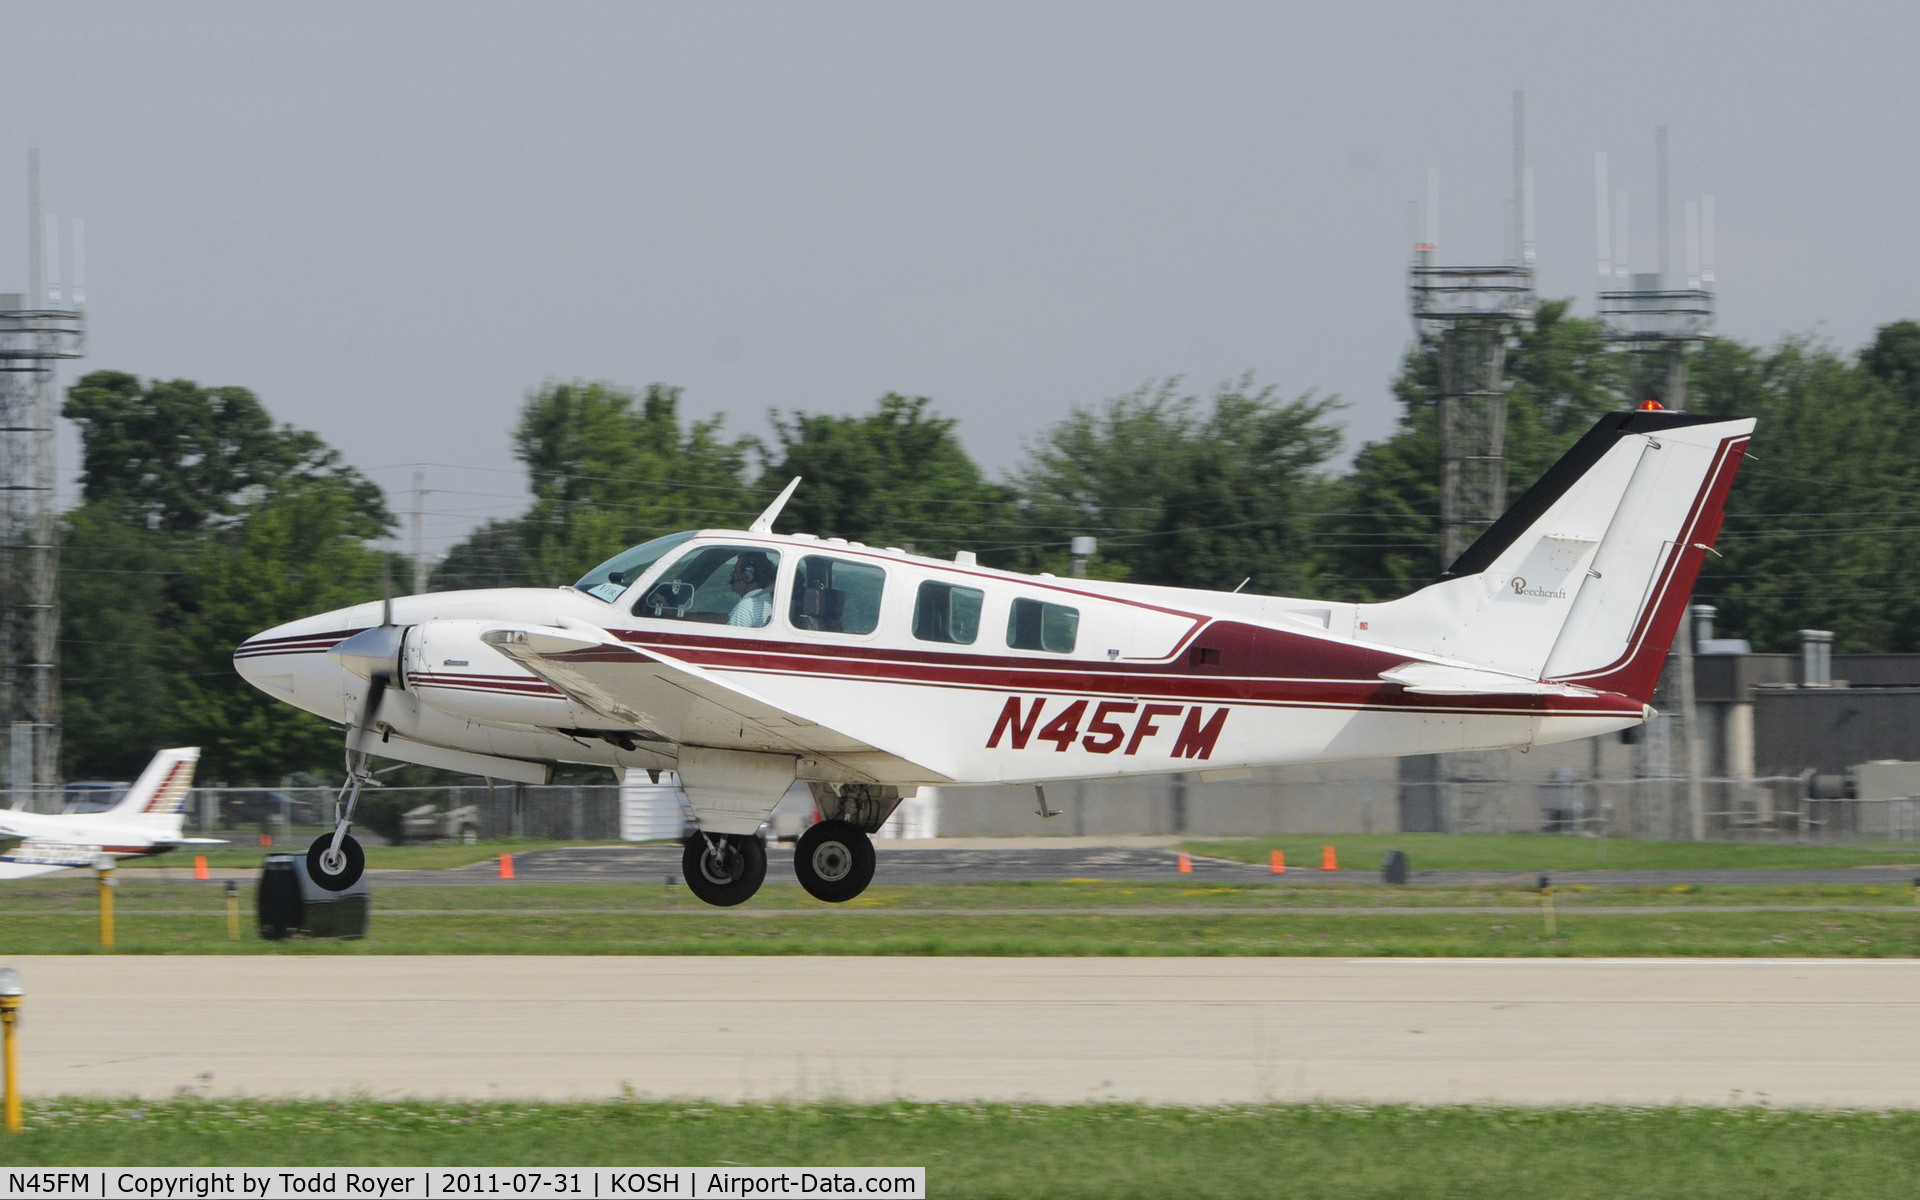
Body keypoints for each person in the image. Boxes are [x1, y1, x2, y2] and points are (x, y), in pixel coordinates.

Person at [725, 552, 776, 627]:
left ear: (748, 576)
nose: (732, 574)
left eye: (735, 570)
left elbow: (730, 637)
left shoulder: (747, 607)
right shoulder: (770, 601)